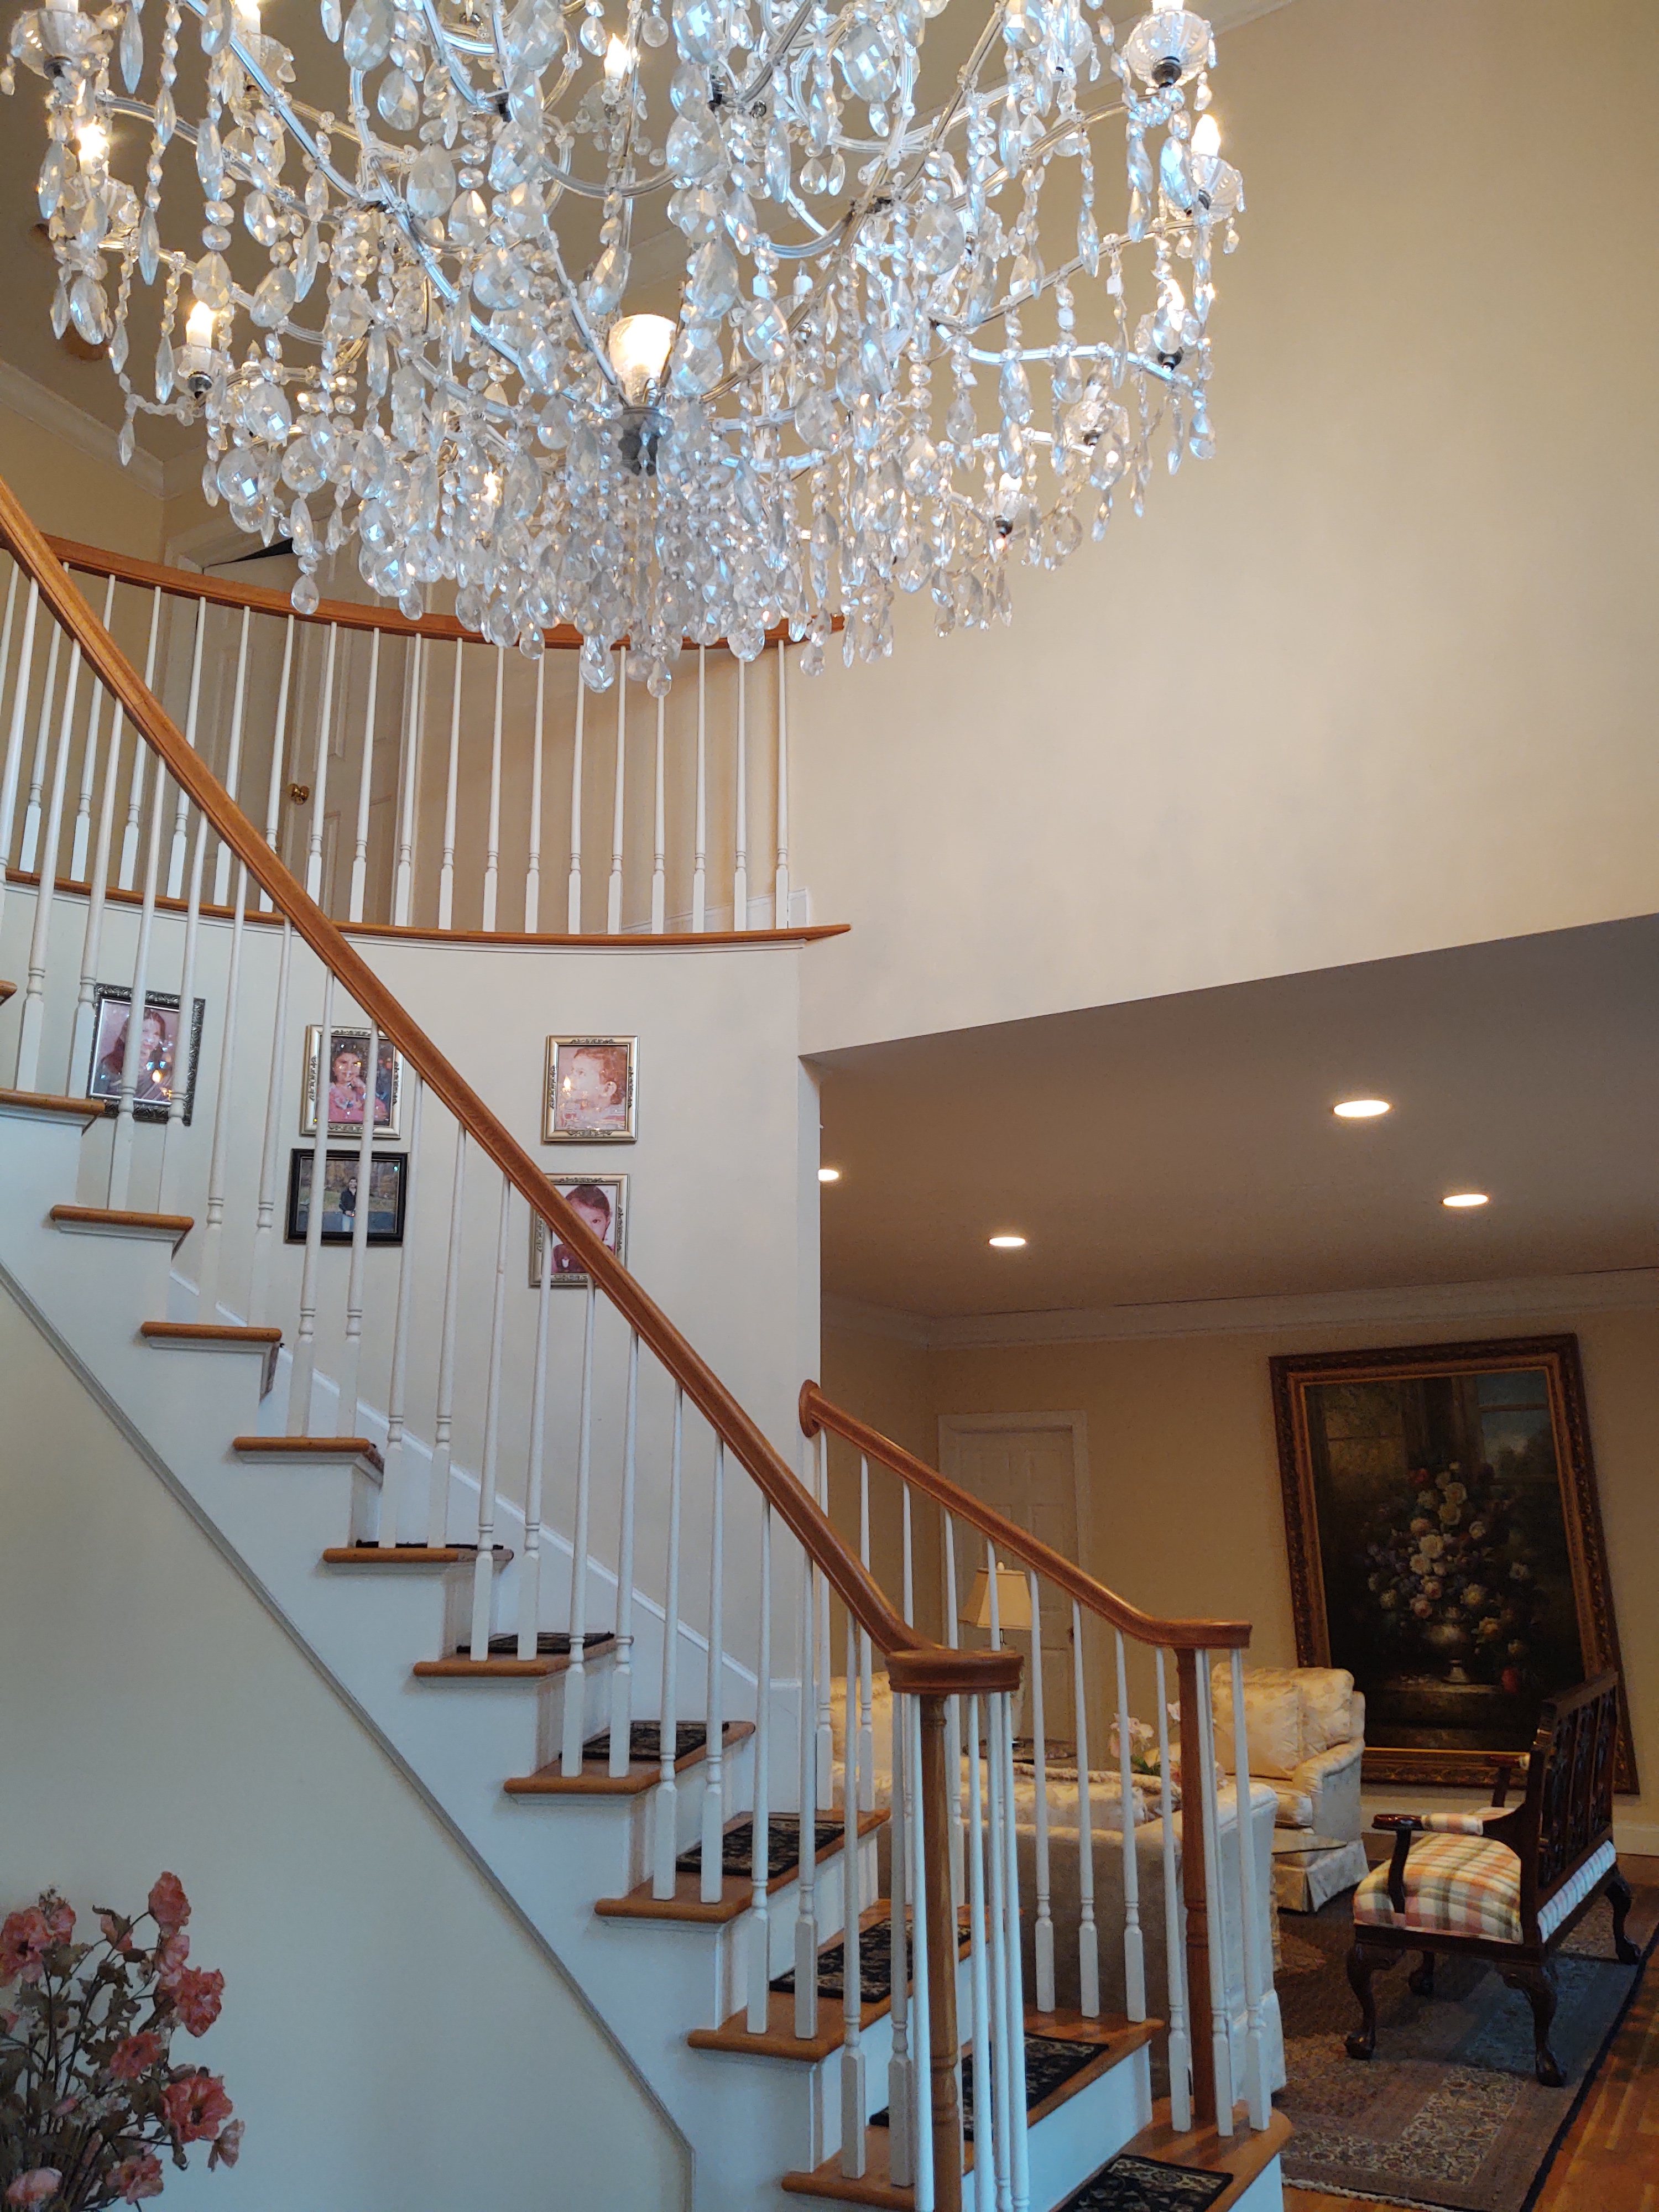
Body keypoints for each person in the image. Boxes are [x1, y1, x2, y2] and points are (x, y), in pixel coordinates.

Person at [93, 1003, 173, 1104]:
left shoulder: (162, 1069)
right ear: (129, 1033)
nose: (150, 1039)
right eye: (145, 1031)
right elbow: (96, 1101)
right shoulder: (110, 1064)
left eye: (156, 1034)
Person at [557, 1043, 630, 1133]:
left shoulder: (622, 1121)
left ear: (607, 1089)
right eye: (573, 1071)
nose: (571, 1078)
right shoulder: (567, 1112)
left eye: (581, 1073)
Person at [550, 1183, 612, 1275]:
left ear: (607, 1223)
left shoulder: (613, 1257)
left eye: (595, 1221)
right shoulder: (557, 1255)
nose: (587, 1230)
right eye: (578, 1222)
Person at [327, 1042, 368, 1126]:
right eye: (343, 1063)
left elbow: (381, 1113)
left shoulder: (361, 1091)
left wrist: (364, 1089)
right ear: (333, 1067)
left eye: (355, 1064)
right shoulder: (328, 1091)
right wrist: (365, 1116)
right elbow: (332, 1117)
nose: (349, 1068)